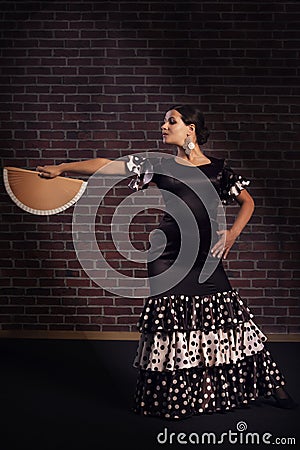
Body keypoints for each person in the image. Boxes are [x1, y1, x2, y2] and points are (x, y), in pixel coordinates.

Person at [36, 104, 296, 420]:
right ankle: (175, 398)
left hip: (205, 259)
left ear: (191, 129)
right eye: (163, 121)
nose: (163, 126)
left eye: (170, 121)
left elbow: (247, 202)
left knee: (231, 324)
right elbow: (108, 166)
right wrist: (64, 167)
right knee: (173, 328)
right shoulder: (159, 164)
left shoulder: (218, 169)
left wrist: (232, 233)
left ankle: (270, 386)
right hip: (167, 256)